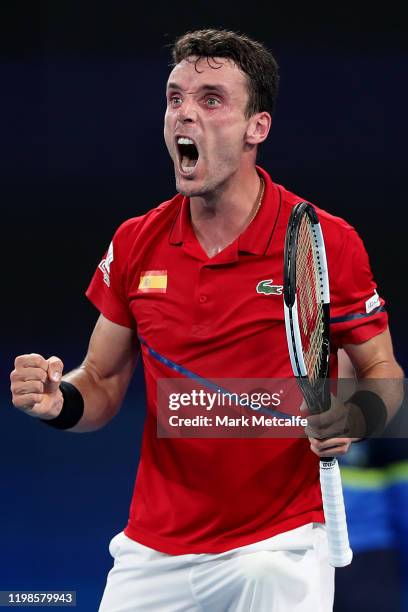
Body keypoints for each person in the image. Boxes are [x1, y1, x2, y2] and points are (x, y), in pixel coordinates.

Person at [10, 29, 403, 612]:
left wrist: (355, 414)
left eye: (211, 99)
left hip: (281, 546)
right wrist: (58, 401)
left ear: (256, 127)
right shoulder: (136, 242)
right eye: (175, 98)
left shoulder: (322, 240)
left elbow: (382, 371)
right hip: (154, 547)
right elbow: (100, 380)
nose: (184, 114)